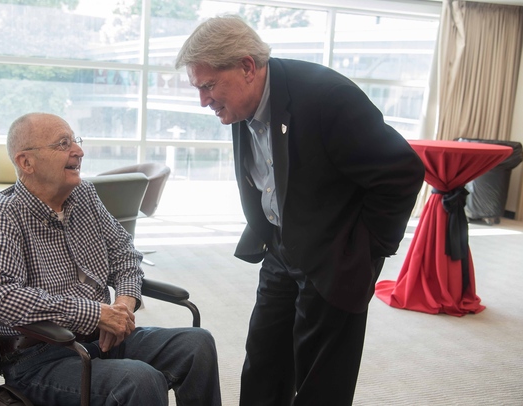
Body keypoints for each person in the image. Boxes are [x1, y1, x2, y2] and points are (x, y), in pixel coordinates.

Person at [175, 15, 425, 406]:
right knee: (263, 363)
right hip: (281, 245)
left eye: (208, 86)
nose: (203, 100)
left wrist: (367, 249)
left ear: (247, 66)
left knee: (320, 382)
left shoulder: (326, 96)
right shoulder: (242, 105)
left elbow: (402, 172)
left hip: (333, 255)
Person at [0, 112, 221, 406]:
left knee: (197, 344)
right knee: (140, 380)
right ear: (26, 162)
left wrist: (122, 305)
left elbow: (125, 255)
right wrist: (95, 313)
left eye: (75, 141)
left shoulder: (84, 195)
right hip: (40, 358)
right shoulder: (4, 214)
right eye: (63, 144)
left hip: (100, 340)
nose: (78, 151)